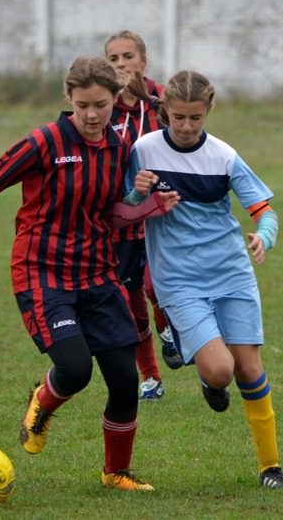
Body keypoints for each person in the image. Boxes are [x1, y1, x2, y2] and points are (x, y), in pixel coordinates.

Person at [0, 56, 178, 491]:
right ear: (68, 100)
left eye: (101, 105)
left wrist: (149, 206)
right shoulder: (45, 141)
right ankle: (42, 403)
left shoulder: (118, 149)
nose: (92, 115)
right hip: (42, 273)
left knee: (126, 380)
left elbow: (111, 213)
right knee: (75, 370)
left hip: (97, 272)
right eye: (82, 105)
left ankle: (116, 473)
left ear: (116, 100)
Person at [126, 69, 283, 490]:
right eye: (178, 117)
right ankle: (208, 377)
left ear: (208, 112)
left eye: (196, 118)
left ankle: (271, 470)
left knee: (250, 368)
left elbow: (264, 209)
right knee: (222, 371)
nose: (186, 127)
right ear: (164, 109)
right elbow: (123, 206)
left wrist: (265, 238)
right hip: (179, 281)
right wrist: (138, 191)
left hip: (231, 272)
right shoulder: (143, 150)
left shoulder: (223, 155)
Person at [104, 30, 184, 403]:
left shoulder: (160, 100)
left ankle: (169, 328)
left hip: (162, 217)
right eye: (114, 59)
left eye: (127, 57)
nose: (121, 64)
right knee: (131, 303)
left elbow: (185, 124)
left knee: (157, 288)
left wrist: (148, 99)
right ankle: (151, 378)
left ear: (143, 60)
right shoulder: (103, 106)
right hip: (122, 221)